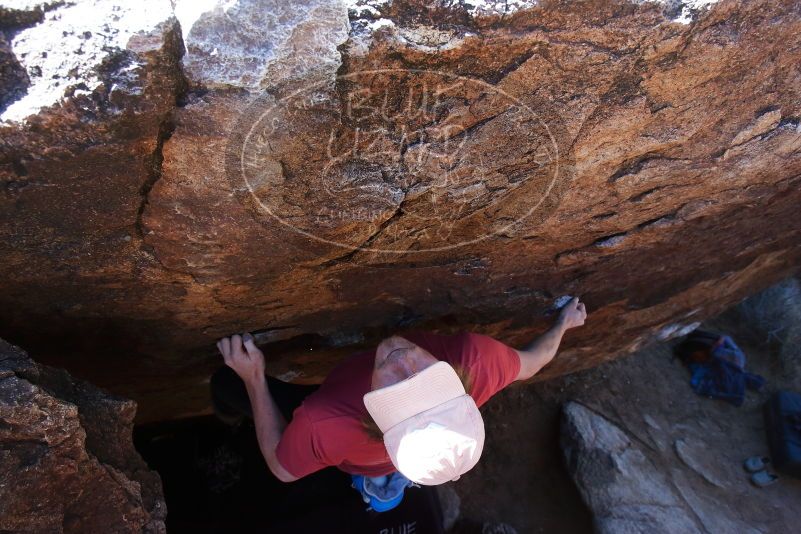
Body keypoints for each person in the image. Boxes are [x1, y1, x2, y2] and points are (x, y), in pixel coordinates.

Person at [211, 297, 587, 510]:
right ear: (458, 390)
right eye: (429, 379)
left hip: (349, 452)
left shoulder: (325, 422)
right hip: (371, 458)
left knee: (223, 383)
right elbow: (535, 361)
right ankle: (380, 478)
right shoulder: (477, 360)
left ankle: (227, 418)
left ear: (379, 416)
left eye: (397, 392)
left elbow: (281, 467)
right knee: (371, 466)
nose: (402, 359)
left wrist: (254, 378)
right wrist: (563, 325)